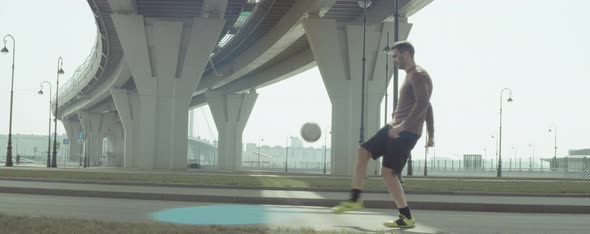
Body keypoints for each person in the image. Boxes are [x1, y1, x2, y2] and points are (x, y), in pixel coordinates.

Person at [332, 41, 434, 228]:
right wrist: (428, 134)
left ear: (406, 54)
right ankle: (355, 199)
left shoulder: (419, 76)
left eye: (395, 56)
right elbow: (425, 104)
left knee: (388, 173)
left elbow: (423, 105)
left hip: (406, 132)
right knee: (363, 151)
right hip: (393, 127)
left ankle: (406, 217)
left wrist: (404, 127)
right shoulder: (410, 75)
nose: (393, 60)